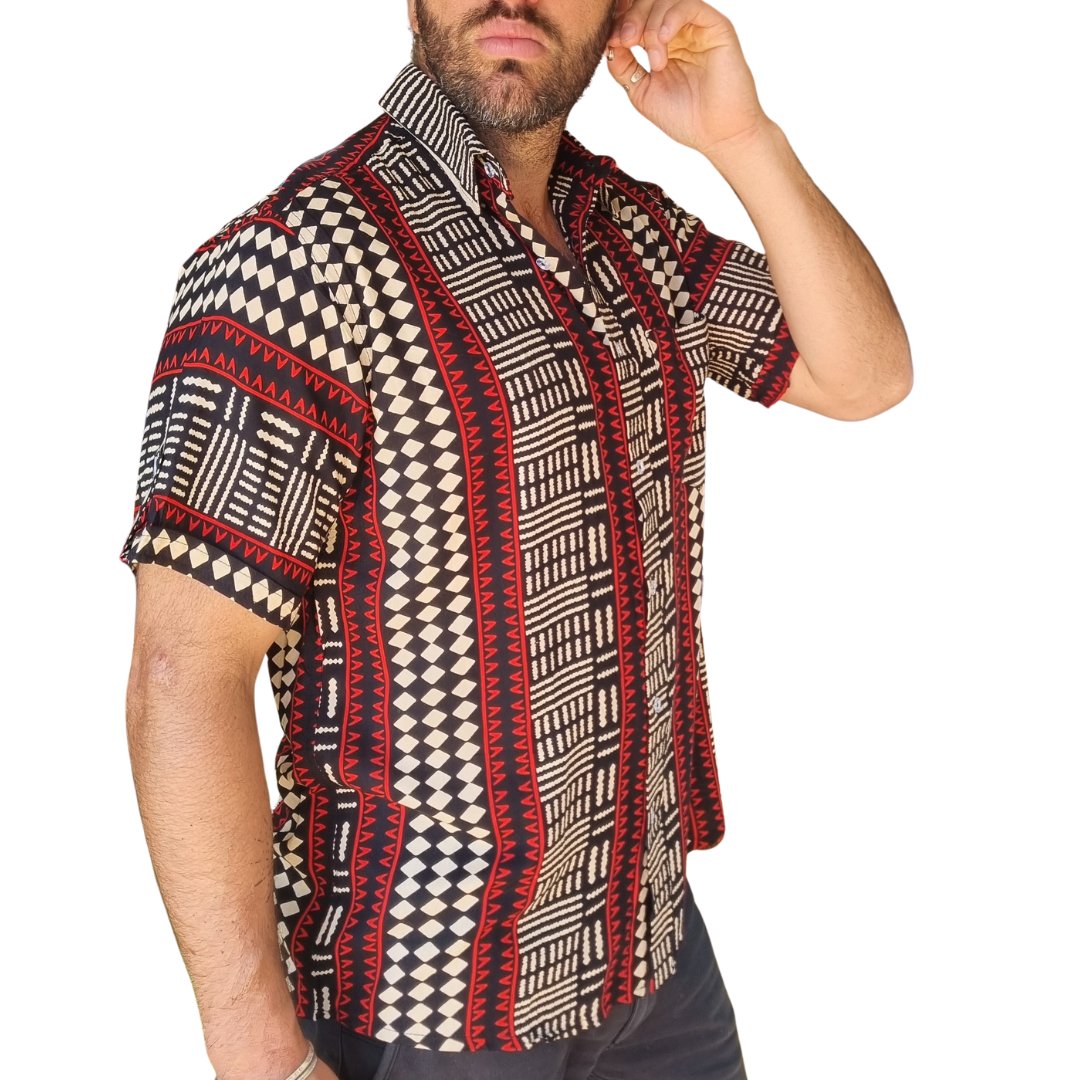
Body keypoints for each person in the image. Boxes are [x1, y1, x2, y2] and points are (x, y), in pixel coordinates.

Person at [121, 1, 912, 1078]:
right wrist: (260, 1056)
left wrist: (743, 138)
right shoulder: (299, 261)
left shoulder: (628, 229)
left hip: (646, 949)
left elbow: (864, 374)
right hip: (428, 996)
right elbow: (184, 674)